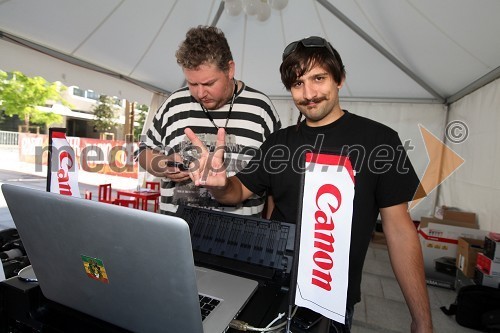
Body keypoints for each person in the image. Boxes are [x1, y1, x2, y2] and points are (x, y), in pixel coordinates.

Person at [184, 36, 433, 332]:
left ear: (340, 79)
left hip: (331, 300)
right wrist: (218, 185)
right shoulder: (278, 144)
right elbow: (237, 192)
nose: (309, 93)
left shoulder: (380, 141)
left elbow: (400, 231)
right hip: (273, 288)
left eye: (319, 78)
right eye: (297, 84)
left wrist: (422, 319)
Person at [139, 25, 281, 216]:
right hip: (178, 231)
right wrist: (164, 164)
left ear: (230, 69)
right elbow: (143, 152)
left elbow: (275, 179)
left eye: (208, 83)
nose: (200, 93)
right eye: (192, 83)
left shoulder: (261, 109)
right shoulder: (173, 104)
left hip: (240, 236)